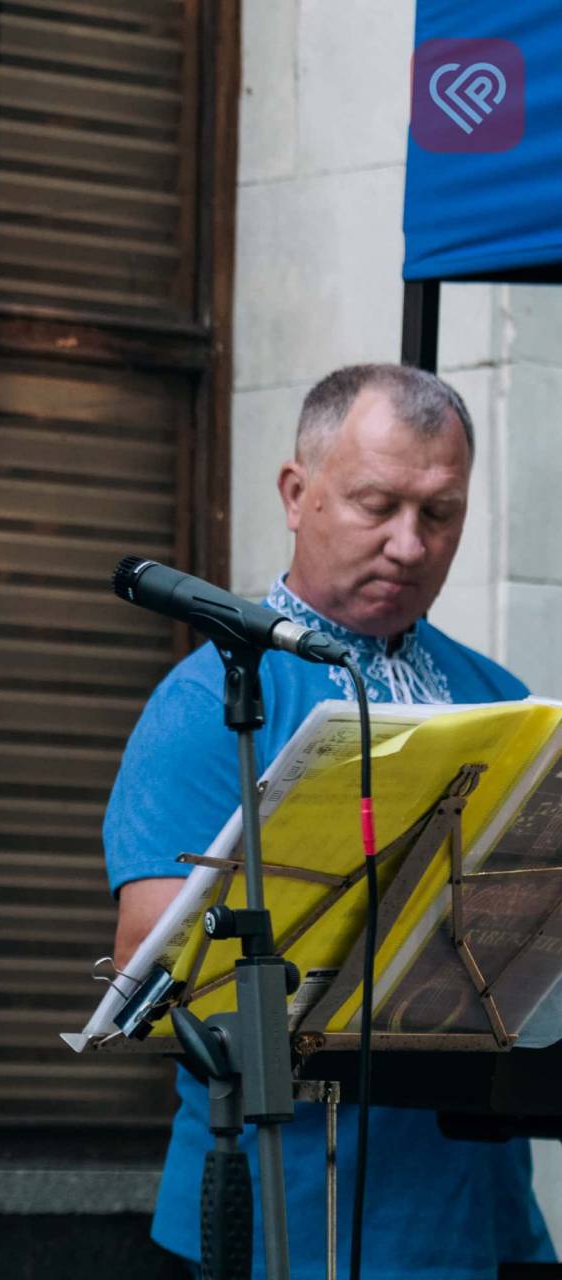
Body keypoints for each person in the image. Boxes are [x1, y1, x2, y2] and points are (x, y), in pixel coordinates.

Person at [103, 363, 557, 1278]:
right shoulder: (211, 698)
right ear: (296, 492)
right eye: (375, 504)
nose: (407, 543)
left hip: (478, 1213)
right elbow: (152, 959)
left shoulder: (500, 699)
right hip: (286, 1210)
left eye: (439, 514)